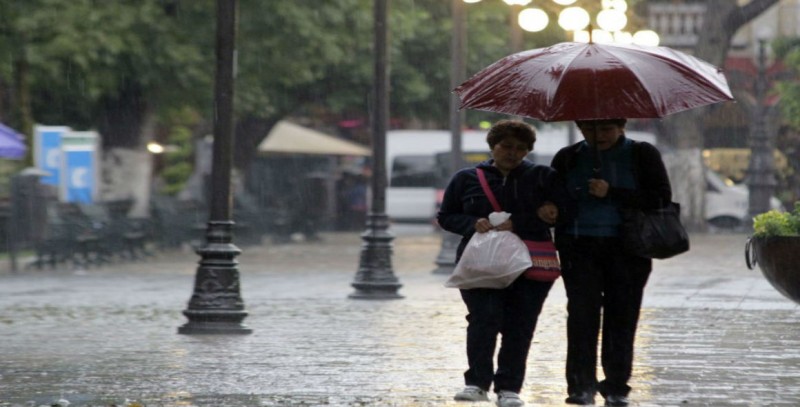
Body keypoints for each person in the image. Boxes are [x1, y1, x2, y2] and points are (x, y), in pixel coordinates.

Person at [437, 120, 571, 407]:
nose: (512, 153)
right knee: (483, 320)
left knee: (520, 325)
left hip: (529, 264)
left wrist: (521, 221)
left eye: (520, 148)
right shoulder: (466, 178)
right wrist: (473, 223)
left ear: (528, 151)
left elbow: (562, 213)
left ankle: (509, 387)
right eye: (506, 146)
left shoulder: (543, 177)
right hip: (479, 264)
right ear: (492, 147)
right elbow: (446, 215)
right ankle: (476, 383)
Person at [550, 118, 672, 407]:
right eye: (590, 129)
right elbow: (551, 194)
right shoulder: (568, 157)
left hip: (628, 250)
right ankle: (580, 386)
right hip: (579, 248)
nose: (599, 135)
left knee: (622, 318)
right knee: (581, 317)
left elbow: (660, 198)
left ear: (621, 127)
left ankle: (616, 386)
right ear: (580, 129)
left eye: (606, 129)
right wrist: (553, 206)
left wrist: (612, 192)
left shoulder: (642, 153)